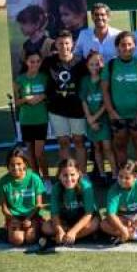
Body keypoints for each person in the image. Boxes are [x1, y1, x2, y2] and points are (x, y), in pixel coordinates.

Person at [101, 31, 137, 173]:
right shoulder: (110, 65)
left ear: (135, 46)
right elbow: (105, 91)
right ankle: (124, 175)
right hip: (117, 115)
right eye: (123, 45)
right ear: (117, 47)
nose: (127, 47)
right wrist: (111, 112)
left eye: (130, 44)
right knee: (120, 146)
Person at [42, 30, 88, 172]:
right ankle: (66, 174)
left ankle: (81, 174)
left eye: (67, 43)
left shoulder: (81, 62)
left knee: (79, 142)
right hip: (56, 109)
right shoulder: (48, 62)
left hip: (77, 109)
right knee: (63, 143)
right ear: (56, 44)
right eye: (60, 43)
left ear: (72, 44)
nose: (64, 46)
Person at [41, 158, 99, 246]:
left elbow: (88, 214)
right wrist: (59, 231)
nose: (69, 179)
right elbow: (54, 214)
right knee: (45, 227)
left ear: (78, 174)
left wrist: (73, 231)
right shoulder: (56, 188)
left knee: (95, 224)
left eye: (72, 175)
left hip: (83, 220)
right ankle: (71, 236)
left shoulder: (86, 186)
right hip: (66, 221)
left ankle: (68, 238)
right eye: (65, 175)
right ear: (59, 176)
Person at [80, 52, 116, 182]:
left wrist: (94, 118)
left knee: (108, 148)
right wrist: (89, 118)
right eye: (91, 64)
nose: (95, 67)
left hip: (103, 119)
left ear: (102, 64)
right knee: (97, 148)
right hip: (90, 120)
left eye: (97, 64)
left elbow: (107, 103)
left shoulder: (104, 79)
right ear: (87, 65)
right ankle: (102, 174)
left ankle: (115, 174)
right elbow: (84, 100)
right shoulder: (84, 80)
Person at [0, 148, 45, 246]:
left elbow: (39, 204)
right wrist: (13, 219)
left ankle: (38, 225)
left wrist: (28, 219)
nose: (15, 167)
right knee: (18, 240)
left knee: (30, 238)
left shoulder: (34, 178)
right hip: (14, 217)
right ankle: (11, 228)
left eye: (19, 164)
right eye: (12, 165)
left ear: (25, 164)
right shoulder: (3, 182)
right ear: (7, 165)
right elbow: (4, 207)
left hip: (32, 215)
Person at [14, 52, 49, 183]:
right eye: (32, 61)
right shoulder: (19, 80)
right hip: (26, 120)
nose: (35, 64)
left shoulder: (45, 78)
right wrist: (26, 99)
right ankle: (36, 178)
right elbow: (16, 102)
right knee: (30, 153)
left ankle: (47, 179)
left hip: (41, 119)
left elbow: (50, 93)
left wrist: (42, 97)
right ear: (26, 62)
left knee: (39, 153)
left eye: (37, 61)